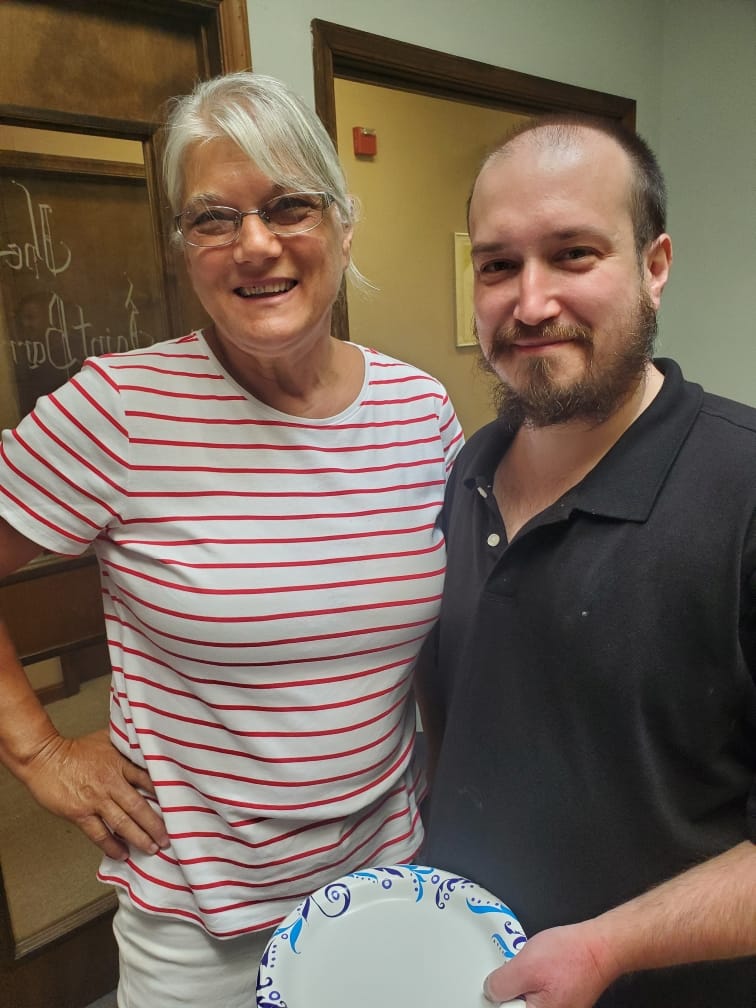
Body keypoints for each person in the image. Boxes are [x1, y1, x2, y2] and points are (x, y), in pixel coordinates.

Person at [0, 71, 463, 1006]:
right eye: (214, 218)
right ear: (183, 248)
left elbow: (441, 647)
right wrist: (37, 749)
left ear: (342, 222)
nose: (256, 245)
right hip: (201, 918)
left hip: (385, 881)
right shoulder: (118, 408)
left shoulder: (422, 411)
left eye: (289, 205)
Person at [418, 113, 756, 1007]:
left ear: (656, 265)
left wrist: (608, 947)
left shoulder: (744, 490)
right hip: (463, 971)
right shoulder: (465, 473)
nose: (530, 304)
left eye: (574, 254)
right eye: (497, 265)